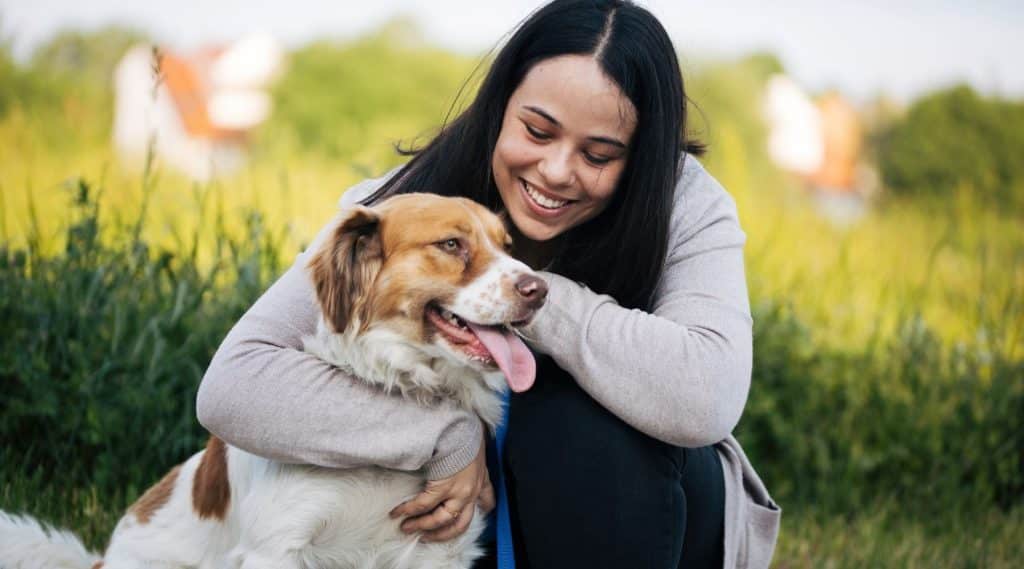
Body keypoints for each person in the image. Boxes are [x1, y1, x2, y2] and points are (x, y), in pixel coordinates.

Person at [195, 1, 780, 567]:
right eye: (537, 130)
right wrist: (445, 434)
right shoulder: (407, 203)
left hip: (649, 515)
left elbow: (705, 398)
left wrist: (525, 297)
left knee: (573, 419)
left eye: (598, 154)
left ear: (642, 157)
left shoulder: (686, 204)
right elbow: (236, 384)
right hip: (466, 519)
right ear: (501, 105)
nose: (556, 171)